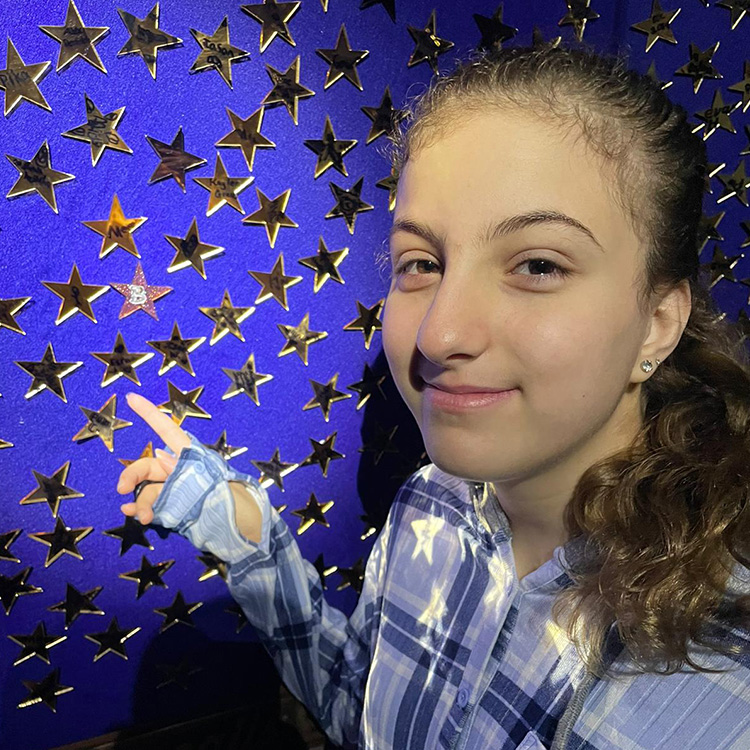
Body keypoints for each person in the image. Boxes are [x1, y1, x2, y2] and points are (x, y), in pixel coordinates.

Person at [116, 41, 750, 750]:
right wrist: (247, 537)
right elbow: (358, 712)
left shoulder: (724, 670)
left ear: (657, 322)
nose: (440, 333)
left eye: (538, 265)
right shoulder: (433, 504)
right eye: (420, 263)